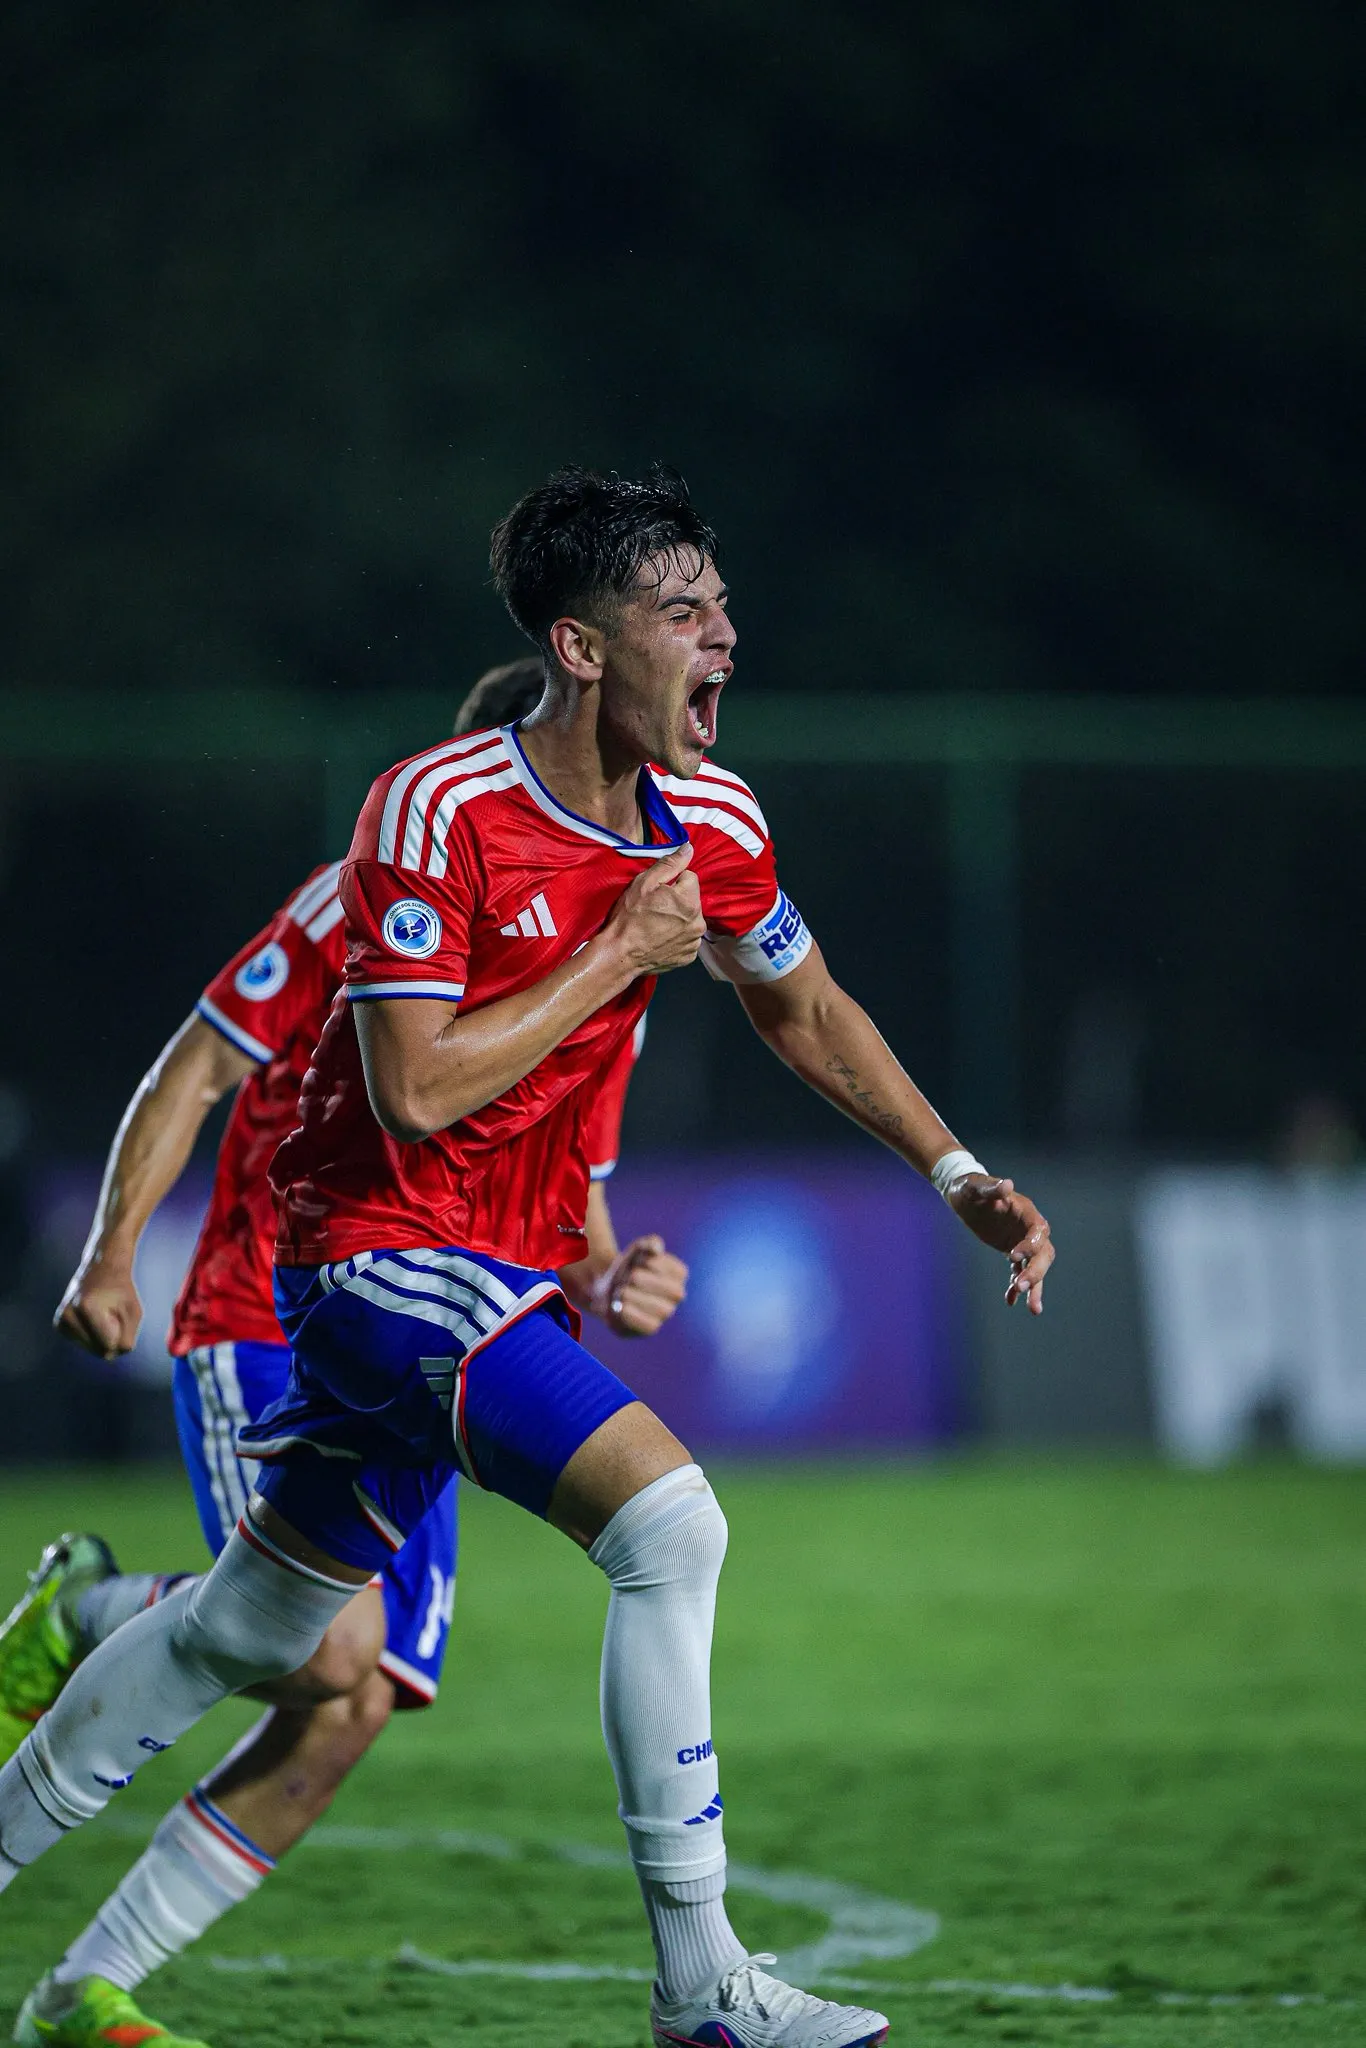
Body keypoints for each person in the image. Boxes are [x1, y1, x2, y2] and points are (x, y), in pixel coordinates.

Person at [0, 466, 1054, 2048]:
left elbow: (802, 1004)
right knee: (670, 1527)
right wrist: (618, 950)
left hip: (486, 1272)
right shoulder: (432, 811)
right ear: (579, 645)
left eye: (721, 607)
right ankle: (701, 1990)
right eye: (681, 611)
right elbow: (414, 1088)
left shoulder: (716, 818)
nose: (724, 637)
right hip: (368, 1259)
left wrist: (950, 1165)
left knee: (251, 1634)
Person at [0, 657, 684, 2048]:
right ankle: (83, 1614)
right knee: (330, 1647)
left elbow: (564, 1170)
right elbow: (195, 1065)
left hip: (439, 1326)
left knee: (353, 1700)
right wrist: (114, 1254)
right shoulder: (359, 899)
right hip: (273, 1304)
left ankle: (77, 1998)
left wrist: (605, 1266)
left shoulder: (591, 957)